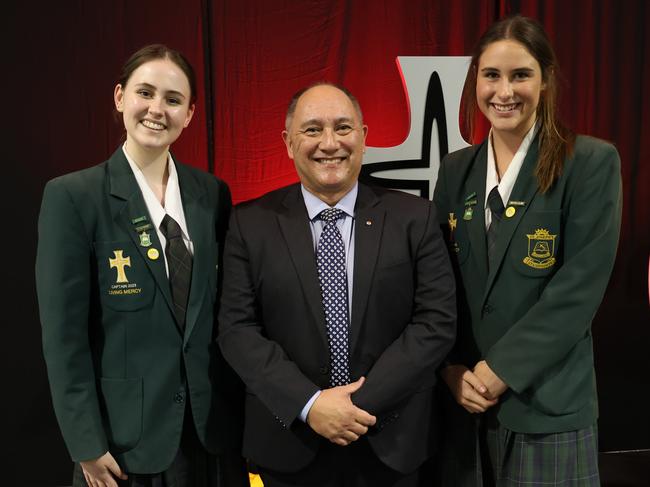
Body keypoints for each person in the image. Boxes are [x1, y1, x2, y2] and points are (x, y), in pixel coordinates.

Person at [217, 82, 456, 486]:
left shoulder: (415, 217)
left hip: (392, 443)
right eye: (312, 130)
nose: (330, 143)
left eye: (343, 128)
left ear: (363, 137)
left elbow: (435, 323)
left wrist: (352, 408)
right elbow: (237, 330)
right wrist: (311, 405)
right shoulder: (248, 224)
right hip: (290, 444)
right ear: (288, 142)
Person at [36, 44, 248, 487]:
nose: (157, 109)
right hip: (122, 444)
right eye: (144, 93)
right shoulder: (74, 197)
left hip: (210, 436)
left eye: (172, 100)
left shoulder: (211, 195)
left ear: (189, 114)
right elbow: (64, 339)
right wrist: (86, 445)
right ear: (119, 97)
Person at [433, 15, 622, 487]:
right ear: (475, 78)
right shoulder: (456, 170)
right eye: (491, 75)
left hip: (547, 406)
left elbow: (577, 292)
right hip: (465, 405)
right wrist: (449, 369)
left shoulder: (590, 163)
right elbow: (437, 283)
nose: (504, 91)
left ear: (546, 79)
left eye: (521, 75)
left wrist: (501, 370)